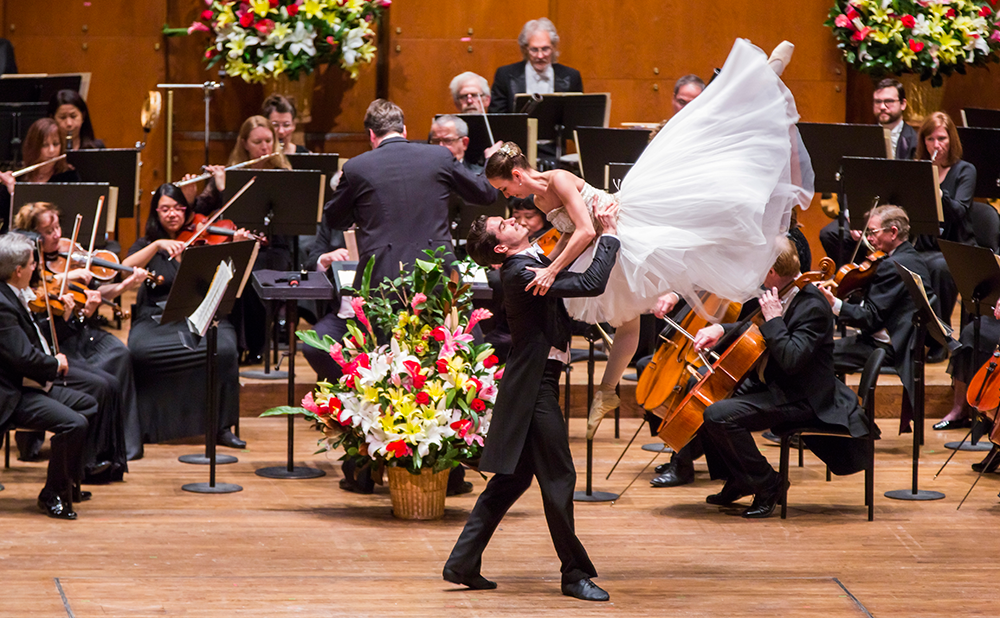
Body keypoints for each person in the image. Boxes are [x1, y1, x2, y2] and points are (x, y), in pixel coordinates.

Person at [483, 38, 811, 439]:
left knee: (704, 157)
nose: (506, 197)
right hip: (612, 244)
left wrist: (552, 268)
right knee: (627, 318)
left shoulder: (559, 179)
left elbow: (586, 228)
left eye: (503, 188)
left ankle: (765, 74)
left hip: (632, 220)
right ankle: (606, 391)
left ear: (516, 175)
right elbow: (574, 233)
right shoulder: (534, 196)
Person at [310, 99, 498, 493]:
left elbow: (333, 219)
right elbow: (485, 194)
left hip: (382, 280)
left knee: (377, 370)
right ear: (406, 129)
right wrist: (489, 162)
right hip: (436, 277)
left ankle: (363, 474)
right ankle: (450, 474)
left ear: (371, 135)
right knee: (442, 364)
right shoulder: (439, 157)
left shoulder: (358, 166)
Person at [444, 207, 621, 602]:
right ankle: (574, 574)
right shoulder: (523, 273)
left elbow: (555, 301)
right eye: (503, 226)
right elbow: (590, 283)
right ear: (502, 248)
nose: (512, 220)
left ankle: (463, 562)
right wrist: (608, 234)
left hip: (534, 381)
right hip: (534, 387)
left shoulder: (532, 263)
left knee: (513, 479)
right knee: (559, 477)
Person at [694, 237, 870, 518]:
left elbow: (791, 359)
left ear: (773, 271)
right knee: (702, 388)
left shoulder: (812, 305)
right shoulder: (781, 290)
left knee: (719, 415)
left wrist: (774, 319)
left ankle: (768, 484)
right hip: (774, 384)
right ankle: (740, 477)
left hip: (802, 396)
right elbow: (754, 327)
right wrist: (720, 330)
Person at [13, 202, 147, 463]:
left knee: (120, 354)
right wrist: (69, 280)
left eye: (57, 227)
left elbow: (92, 294)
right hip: (59, 340)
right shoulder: (28, 269)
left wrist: (124, 286)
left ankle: (122, 444)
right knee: (98, 379)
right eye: (48, 231)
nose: (56, 235)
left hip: (80, 328)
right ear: (32, 236)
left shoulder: (69, 252)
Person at [122, 184, 252, 448]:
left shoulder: (202, 240)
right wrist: (158, 244)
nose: (172, 214)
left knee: (225, 350)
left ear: (187, 210)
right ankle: (146, 425)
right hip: (155, 319)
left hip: (199, 315)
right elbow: (122, 270)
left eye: (178, 208)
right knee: (140, 351)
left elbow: (224, 281)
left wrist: (235, 247)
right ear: (156, 212)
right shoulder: (147, 244)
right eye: (165, 209)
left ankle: (221, 427)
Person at [0, 232, 96, 519]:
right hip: (11, 392)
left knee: (89, 404)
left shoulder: (13, 294)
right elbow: (21, 357)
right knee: (73, 424)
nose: (36, 268)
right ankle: (51, 493)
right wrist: (53, 365)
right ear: (18, 271)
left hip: (24, 383)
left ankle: (66, 483)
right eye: (32, 263)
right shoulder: (2, 305)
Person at [818, 205, 934, 434]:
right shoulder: (911, 257)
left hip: (889, 345)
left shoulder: (892, 266)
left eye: (872, 232)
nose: (868, 238)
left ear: (892, 232)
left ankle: (847, 421)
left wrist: (834, 305)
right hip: (901, 338)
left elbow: (870, 318)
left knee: (817, 357)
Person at [819, 78, 919, 267]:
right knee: (830, 234)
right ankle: (856, 284)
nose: (883, 107)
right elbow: (853, 179)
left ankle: (877, 278)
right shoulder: (863, 139)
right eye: (878, 102)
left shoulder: (915, 140)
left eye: (889, 102)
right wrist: (853, 214)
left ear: (903, 104)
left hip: (899, 214)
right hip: (866, 210)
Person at [912, 111, 977, 331]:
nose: (936, 145)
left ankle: (941, 335)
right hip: (925, 243)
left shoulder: (965, 171)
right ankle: (912, 333)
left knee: (939, 268)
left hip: (955, 245)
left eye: (942, 139)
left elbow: (959, 212)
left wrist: (938, 193)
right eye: (930, 139)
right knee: (899, 261)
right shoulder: (918, 167)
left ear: (951, 140)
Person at [488, 18, 583, 114]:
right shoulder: (505, 75)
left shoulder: (571, 77)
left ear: (553, 48)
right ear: (525, 49)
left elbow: (577, 116)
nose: (540, 56)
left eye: (545, 49)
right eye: (534, 50)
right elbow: (496, 117)